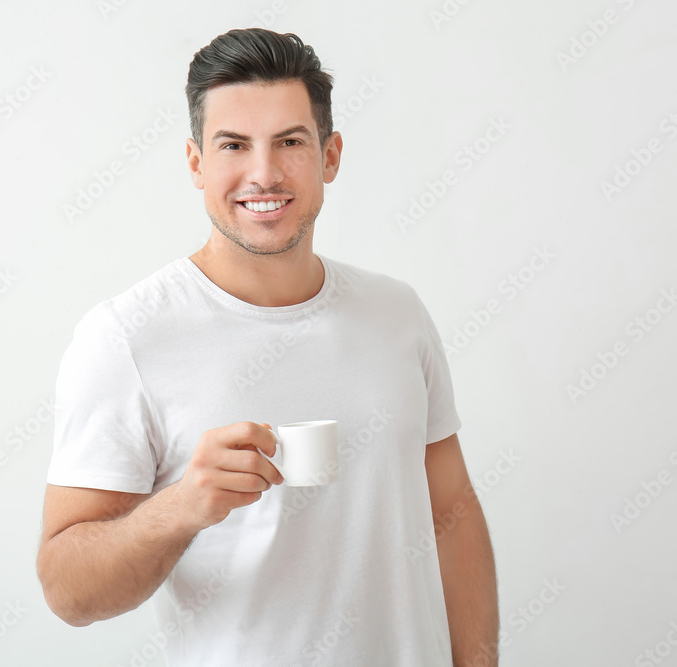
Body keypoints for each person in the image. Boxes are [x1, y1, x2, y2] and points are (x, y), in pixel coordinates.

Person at [36, 27, 498, 666]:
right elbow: (67, 590)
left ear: (330, 156)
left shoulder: (397, 314)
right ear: (196, 163)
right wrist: (182, 507)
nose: (264, 173)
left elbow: (453, 511)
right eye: (233, 145)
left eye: (290, 142)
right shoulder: (126, 338)